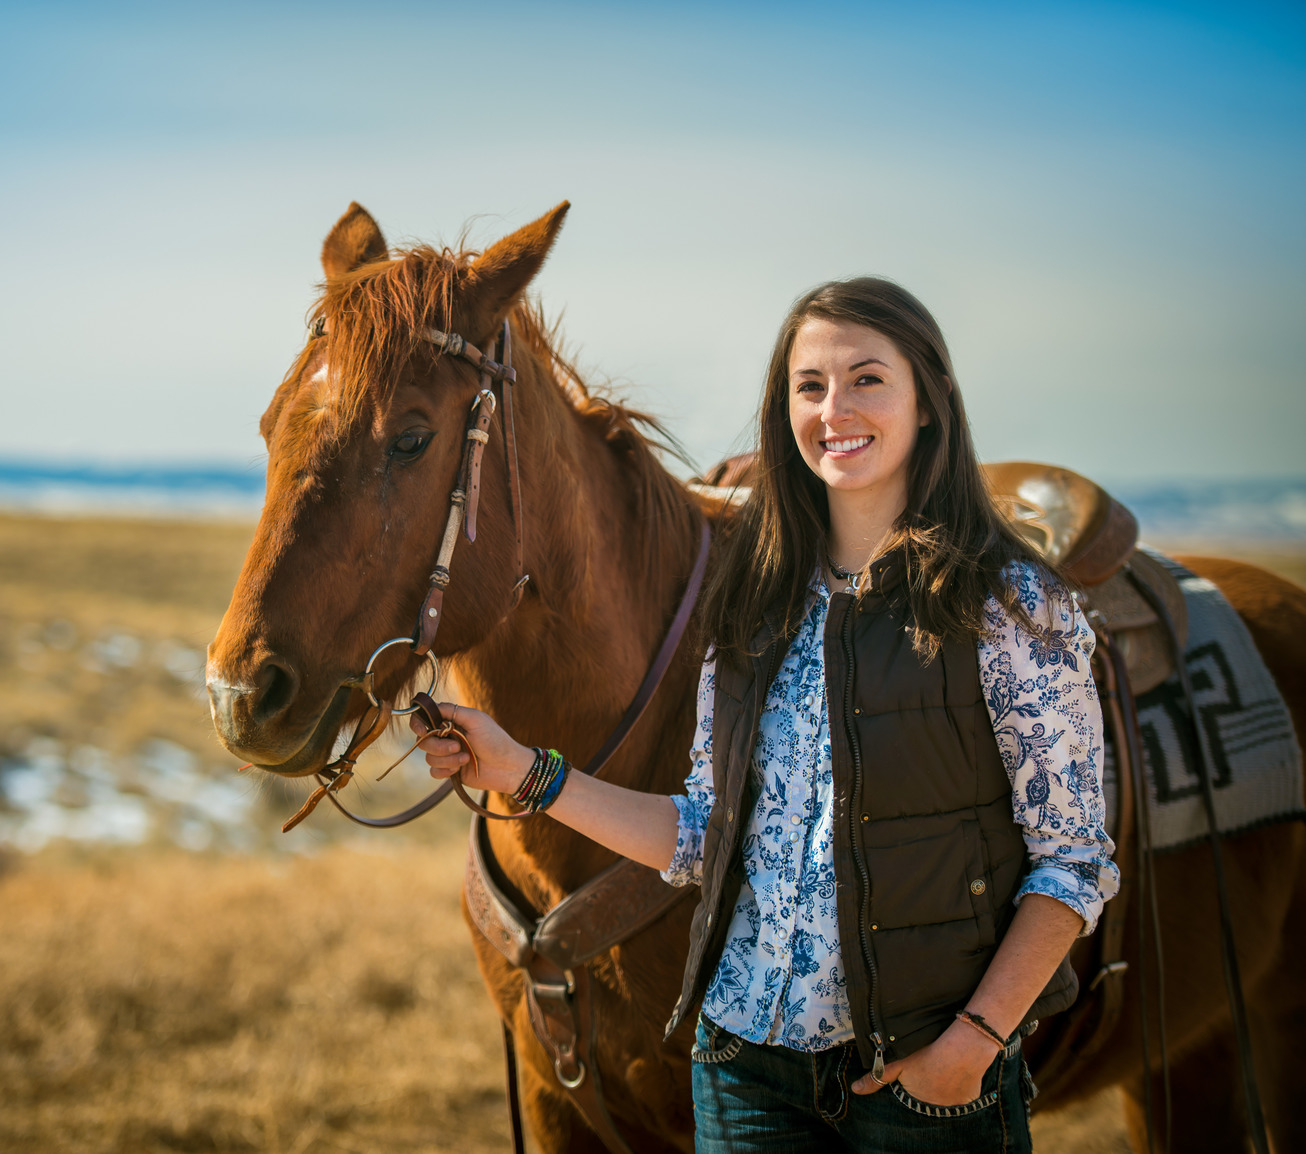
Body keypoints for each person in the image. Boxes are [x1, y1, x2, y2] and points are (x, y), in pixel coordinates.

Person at [413, 278, 1119, 1153]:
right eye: (810, 386)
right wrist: (523, 770)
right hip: (745, 1070)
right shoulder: (754, 602)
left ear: (930, 401)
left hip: (924, 1076)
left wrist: (972, 1045)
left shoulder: (1008, 604)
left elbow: (1072, 862)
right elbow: (708, 835)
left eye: (868, 379)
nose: (835, 410)